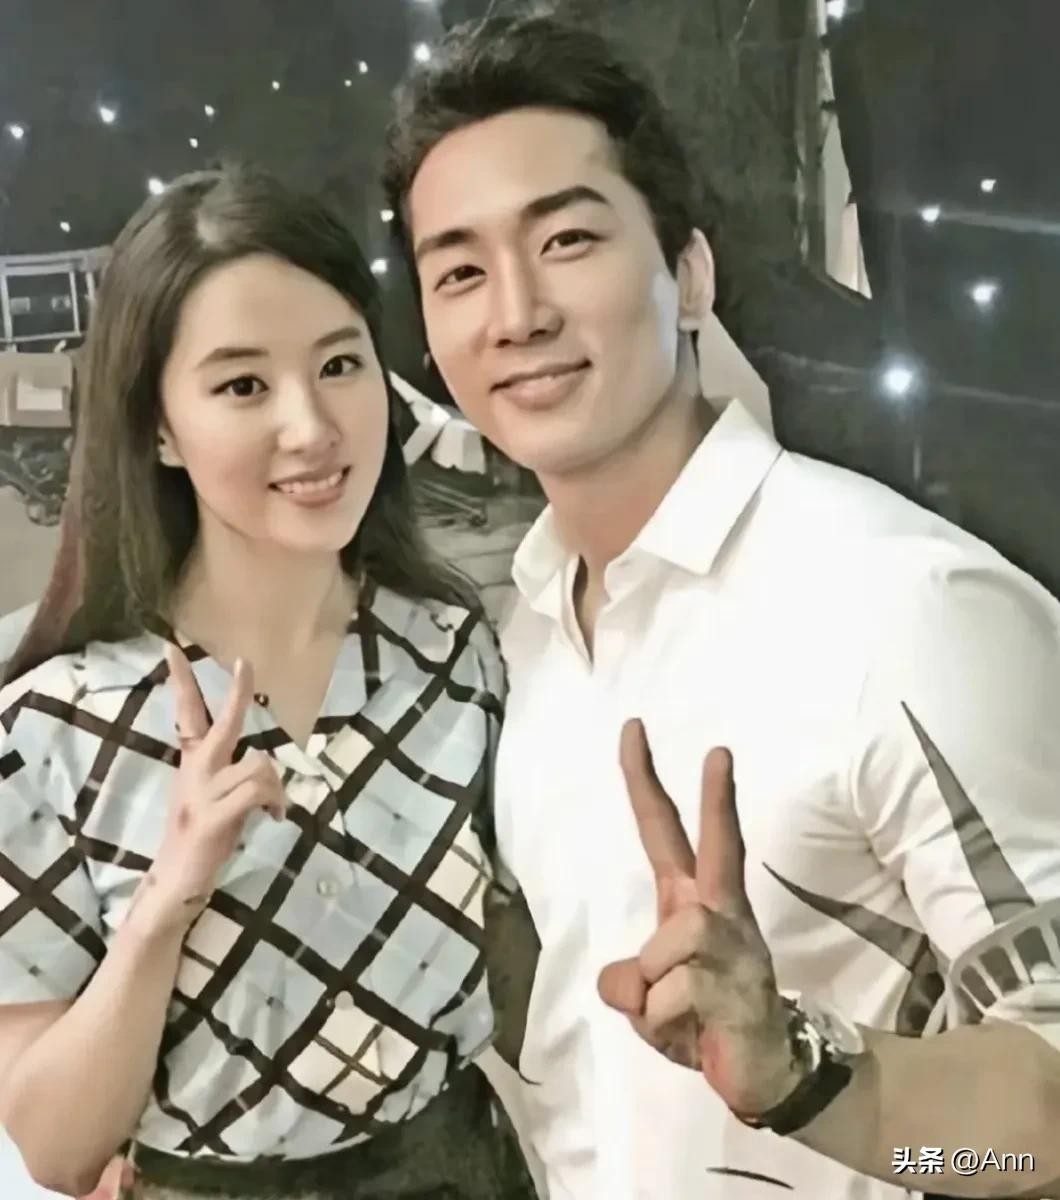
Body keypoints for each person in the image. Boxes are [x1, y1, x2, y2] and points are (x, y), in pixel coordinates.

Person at [382, 14, 1060, 1199]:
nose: (517, 311)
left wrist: (807, 1079)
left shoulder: (908, 608)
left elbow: (1042, 1137)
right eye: (460, 272)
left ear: (687, 274)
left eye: (568, 239)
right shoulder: (531, 635)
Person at [0, 165, 537, 1200]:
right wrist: (167, 902)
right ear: (158, 426)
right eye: (243, 385)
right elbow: (58, 1152)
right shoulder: (46, 731)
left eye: (340, 364)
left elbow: (516, 990)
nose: (314, 426)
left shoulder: (455, 656)